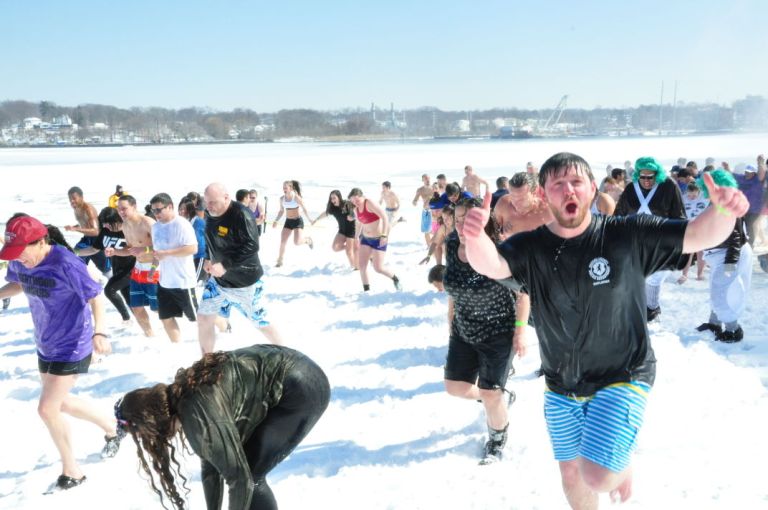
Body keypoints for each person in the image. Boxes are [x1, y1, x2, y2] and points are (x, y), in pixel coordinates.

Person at [461, 151, 749, 508]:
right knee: (570, 474)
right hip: (561, 383)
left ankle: (618, 463)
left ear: (592, 189)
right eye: (558, 184)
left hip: (623, 373)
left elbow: (696, 235)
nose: (569, 190)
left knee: (595, 474)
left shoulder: (626, 234)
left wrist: (722, 212)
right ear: (545, 195)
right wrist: (474, 238)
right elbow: (492, 264)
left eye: (577, 182)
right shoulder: (530, 247)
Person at [115, 344, 330, 510]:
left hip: (302, 390)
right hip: (297, 368)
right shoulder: (182, 397)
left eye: (142, 434)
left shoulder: (197, 414)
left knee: (252, 476)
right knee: (246, 469)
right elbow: (211, 467)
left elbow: (240, 480)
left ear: (150, 421)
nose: (148, 440)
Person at [0, 215, 123, 492]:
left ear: (41, 242)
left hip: (73, 343)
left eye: (21, 252)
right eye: (13, 254)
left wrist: (100, 332)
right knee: (60, 403)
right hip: (45, 340)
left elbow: (95, 295)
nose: (18, 259)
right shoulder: (21, 261)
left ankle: (73, 471)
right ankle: (113, 427)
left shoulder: (65, 262)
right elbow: (18, 283)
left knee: (47, 408)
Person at [444, 197, 527, 465]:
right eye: (457, 219)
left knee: (491, 393)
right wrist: (451, 320)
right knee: (455, 387)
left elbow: (525, 293)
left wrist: (520, 331)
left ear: (482, 221)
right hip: (464, 329)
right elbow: (454, 288)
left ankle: (497, 439)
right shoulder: (452, 244)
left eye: (467, 220)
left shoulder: (500, 250)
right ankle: (499, 397)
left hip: (498, 331)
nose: (460, 225)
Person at [199, 182, 283, 353]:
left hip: (245, 282)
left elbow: (252, 245)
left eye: (213, 202)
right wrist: (208, 258)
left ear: (226, 197)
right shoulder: (209, 213)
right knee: (203, 317)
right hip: (218, 281)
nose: (209, 207)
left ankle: (286, 353)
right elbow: (209, 238)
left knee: (260, 321)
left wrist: (225, 265)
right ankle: (206, 362)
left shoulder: (241, 214)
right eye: (206, 202)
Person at [615, 157, 686, 322]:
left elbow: (679, 216)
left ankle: (652, 308)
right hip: (635, 243)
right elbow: (619, 215)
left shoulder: (668, 187)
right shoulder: (631, 189)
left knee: (655, 276)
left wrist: (679, 242)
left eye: (650, 177)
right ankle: (640, 306)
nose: (646, 180)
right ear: (637, 175)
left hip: (662, 243)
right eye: (643, 176)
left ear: (657, 175)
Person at [695, 170, 753, 342]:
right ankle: (714, 323)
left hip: (729, 255)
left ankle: (733, 330)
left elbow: (735, 237)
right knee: (717, 290)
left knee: (723, 294)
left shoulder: (726, 206)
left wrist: (730, 264)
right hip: (720, 255)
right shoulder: (718, 203)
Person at [150, 193, 199, 343]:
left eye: (159, 210)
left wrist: (167, 253)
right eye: (153, 211)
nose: (156, 214)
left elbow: (192, 249)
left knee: (197, 317)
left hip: (183, 281)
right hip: (165, 281)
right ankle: (177, 348)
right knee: (165, 317)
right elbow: (157, 252)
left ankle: (223, 326)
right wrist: (153, 267)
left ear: (170, 206)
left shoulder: (182, 224)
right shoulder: (155, 227)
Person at [75, 206, 135, 325]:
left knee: (109, 290)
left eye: (108, 223)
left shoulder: (128, 230)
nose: (105, 226)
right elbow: (94, 249)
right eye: (103, 224)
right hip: (117, 268)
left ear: (116, 220)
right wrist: (75, 252)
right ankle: (141, 322)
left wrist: (116, 251)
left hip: (131, 267)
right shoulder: (105, 231)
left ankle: (127, 319)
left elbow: (132, 250)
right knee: (127, 295)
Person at [115, 194, 158, 337]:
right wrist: (114, 251)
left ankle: (175, 338)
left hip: (155, 268)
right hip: (138, 269)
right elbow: (130, 249)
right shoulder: (125, 226)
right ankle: (150, 336)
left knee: (158, 309)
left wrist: (143, 249)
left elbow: (163, 247)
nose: (121, 212)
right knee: (136, 307)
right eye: (118, 209)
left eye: (124, 209)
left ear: (134, 207)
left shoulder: (148, 223)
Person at [348, 187, 401, 291]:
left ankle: (395, 278)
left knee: (378, 268)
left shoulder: (369, 203)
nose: (356, 203)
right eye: (353, 201)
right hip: (366, 239)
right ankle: (366, 290)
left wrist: (384, 235)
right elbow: (358, 224)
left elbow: (384, 217)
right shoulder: (355, 209)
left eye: (357, 200)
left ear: (362, 196)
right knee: (362, 266)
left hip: (378, 239)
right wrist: (356, 238)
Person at [64, 186, 111, 277]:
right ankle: (86, 284)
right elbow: (85, 225)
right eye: (70, 199)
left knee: (106, 270)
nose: (72, 201)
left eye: (74, 198)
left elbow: (95, 231)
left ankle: (110, 287)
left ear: (81, 197)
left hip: (97, 241)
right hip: (86, 240)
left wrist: (76, 229)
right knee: (73, 256)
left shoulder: (88, 209)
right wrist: (73, 227)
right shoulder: (76, 208)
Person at [493, 172, 553, 241]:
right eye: (512, 197)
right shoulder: (503, 204)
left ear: (534, 192)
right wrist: (498, 239)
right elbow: (492, 230)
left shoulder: (547, 211)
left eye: (521, 199)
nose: (515, 203)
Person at [311, 190, 358, 270]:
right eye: (331, 198)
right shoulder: (332, 208)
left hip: (352, 230)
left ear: (339, 197)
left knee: (349, 253)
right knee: (335, 247)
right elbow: (325, 213)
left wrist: (353, 217)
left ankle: (355, 268)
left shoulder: (347, 204)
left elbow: (357, 211)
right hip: (342, 230)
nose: (332, 200)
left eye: (334, 198)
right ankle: (353, 247)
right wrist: (316, 219)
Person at [271, 180, 313, 267]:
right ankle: (280, 260)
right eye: (283, 188)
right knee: (283, 241)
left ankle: (308, 240)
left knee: (297, 242)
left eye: (286, 188)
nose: (284, 189)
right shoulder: (282, 199)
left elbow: (304, 209)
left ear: (290, 188)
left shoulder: (296, 197)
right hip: (288, 221)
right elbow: (281, 211)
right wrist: (276, 220)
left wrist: (309, 219)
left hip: (297, 221)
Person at [732, 156, 766, 247]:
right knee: (744, 226)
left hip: (755, 209)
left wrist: (760, 162)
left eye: (750, 172)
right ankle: (745, 243)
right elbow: (731, 175)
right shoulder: (741, 178)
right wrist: (727, 168)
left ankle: (750, 244)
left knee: (751, 225)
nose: (747, 173)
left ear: (754, 173)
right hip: (743, 208)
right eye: (746, 172)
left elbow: (762, 173)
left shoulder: (757, 180)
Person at [678, 182, 709, 283]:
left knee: (701, 252)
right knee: (688, 252)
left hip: (702, 227)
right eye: (689, 195)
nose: (691, 197)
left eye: (694, 195)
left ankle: (700, 274)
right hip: (688, 227)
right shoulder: (683, 198)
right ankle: (684, 274)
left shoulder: (705, 197)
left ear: (698, 192)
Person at [412, 174, 435, 247]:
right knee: (426, 231)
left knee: (435, 230)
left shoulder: (434, 188)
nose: (427, 180)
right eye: (425, 179)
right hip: (426, 211)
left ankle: (435, 244)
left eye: (428, 178)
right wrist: (414, 202)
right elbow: (414, 200)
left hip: (435, 211)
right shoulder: (420, 190)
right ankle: (429, 246)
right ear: (423, 180)